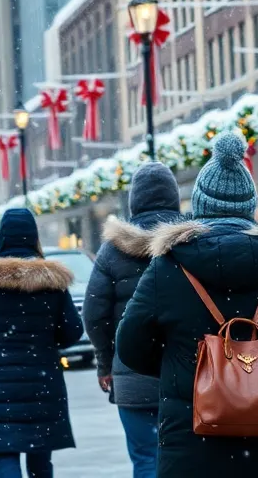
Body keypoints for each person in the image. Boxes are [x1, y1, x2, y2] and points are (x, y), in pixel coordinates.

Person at [116, 132, 258, 478]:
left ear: (200, 205)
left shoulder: (167, 269)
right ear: (250, 207)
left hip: (191, 445)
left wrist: (184, 366)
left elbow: (130, 347)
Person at [0, 207, 82, 478]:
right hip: (41, 382)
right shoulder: (52, 282)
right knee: (40, 461)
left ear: (2, 238)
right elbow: (72, 331)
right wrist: (46, 340)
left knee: (4, 458)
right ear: (34, 238)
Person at [83, 161, 182, 478]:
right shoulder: (190, 241)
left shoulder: (112, 251)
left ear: (134, 201)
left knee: (144, 458)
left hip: (131, 370)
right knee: (184, 458)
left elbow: (94, 313)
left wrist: (105, 361)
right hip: (185, 370)